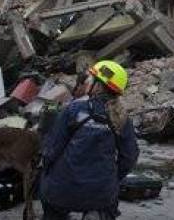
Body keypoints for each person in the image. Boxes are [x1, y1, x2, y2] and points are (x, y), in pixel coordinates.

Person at [40, 60, 139, 220]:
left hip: (62, 190)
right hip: (101, 194)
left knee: (48, 196)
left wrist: (49, 173)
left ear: (98, 85)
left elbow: (51, 151)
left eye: (91, 79)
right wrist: (111, 179)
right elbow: (129, 157)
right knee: (107, 205)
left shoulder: (73, 110)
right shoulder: (123, 119)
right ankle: (98, 214)